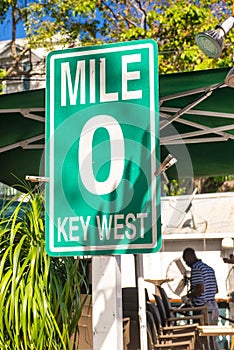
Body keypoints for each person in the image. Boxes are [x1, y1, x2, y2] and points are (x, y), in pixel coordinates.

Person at [182, 247, 220, 350]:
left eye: (185, 260)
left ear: (189, 257)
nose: (186, 263)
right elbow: (216, 289)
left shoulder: (196, 268)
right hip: (213, 307)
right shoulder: (208, 268)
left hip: (204, 309)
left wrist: (188, 296)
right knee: (212, 339)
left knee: (205, 340)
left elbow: (200, 288)